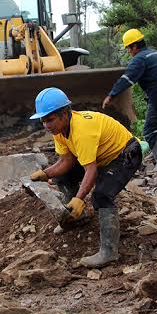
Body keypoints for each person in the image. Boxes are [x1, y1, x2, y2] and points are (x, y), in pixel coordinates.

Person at [28, 87, 142, 268]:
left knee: (102, 195)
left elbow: (91, 170)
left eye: (50, 120)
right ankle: (74, 219)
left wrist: (78, 199)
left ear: (65, 114)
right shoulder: (60, 130)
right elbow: (66, 160)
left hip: (125, 153)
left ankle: (109, 252)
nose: (46, 125)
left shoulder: (82, 130)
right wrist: (46, 173)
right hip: (102, 158)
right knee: (63, 176)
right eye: (43, 121)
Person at [102, 29, 157, 172]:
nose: (128, 52)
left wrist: (111, 95)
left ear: (134, 46)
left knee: (150, 129)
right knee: (155, 125)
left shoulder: (140, 59)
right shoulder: (156, 53)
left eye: (128, 48)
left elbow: (127, 78)